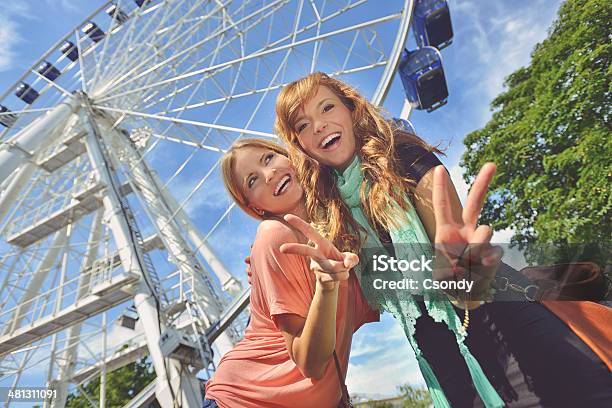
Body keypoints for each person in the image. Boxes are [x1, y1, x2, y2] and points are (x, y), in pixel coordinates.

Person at [273, 72, 612, 407]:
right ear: (299, 144)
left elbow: (458, 271)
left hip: (496, 317)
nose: (318, 125)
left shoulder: (402, 157)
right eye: (302, 125)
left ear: (351, 110)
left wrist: (461, 272)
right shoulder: (331, 216)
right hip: (437, 347)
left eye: (327, 108)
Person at [204, 138, 378, 408]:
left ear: (286, 156)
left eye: (268, 159)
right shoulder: (275, 237)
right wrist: (326, 287)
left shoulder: (339, 228)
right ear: (254, 207)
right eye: (253, 180)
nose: (269, 174)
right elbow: (311, 363)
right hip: (249, 400)